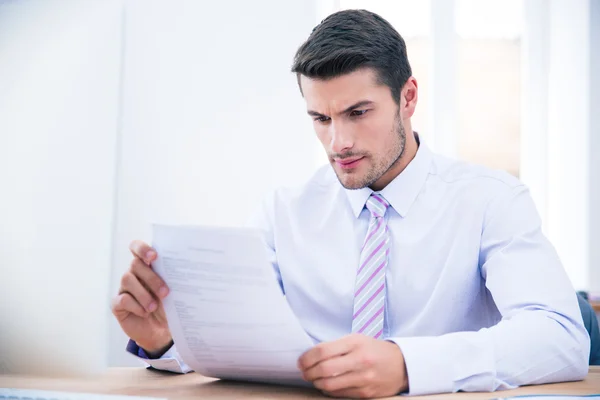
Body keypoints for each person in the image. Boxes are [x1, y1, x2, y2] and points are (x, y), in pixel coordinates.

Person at [112, 9, 590, 398]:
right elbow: (243, 344)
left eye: (358, 113)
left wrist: (408, 365)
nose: (338, 141)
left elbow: (560, 338)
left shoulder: (491, 200)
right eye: (320, 118)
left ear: (408, 97)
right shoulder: (283, 213)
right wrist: (168, 340)